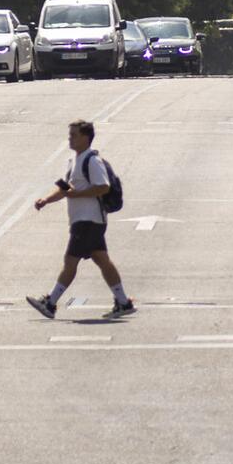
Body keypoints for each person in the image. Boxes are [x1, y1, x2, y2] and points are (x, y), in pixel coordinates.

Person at [27, 120, 135, 319]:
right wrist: (46, 200)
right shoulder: (74, 160)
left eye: (74, 135)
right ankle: (123, 302)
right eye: (70, 134)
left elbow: (103, 187)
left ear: (86, 137)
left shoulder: (92, 161)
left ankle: (50, 303)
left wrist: (76, 195)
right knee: (102, 260)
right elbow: (66, 188)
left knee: (70, 261)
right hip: (85, 220)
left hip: (89, 220)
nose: (70, 138)